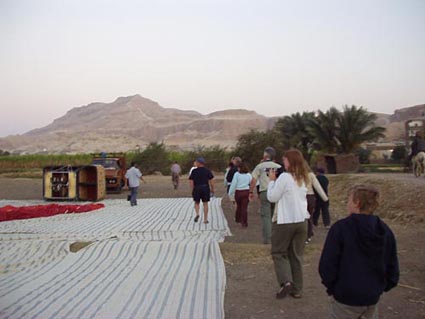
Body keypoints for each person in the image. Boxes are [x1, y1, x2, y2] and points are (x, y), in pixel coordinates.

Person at [319, 184, 399, 319]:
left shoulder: (340, 229)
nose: (347, 204)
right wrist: (380, 287)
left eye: (349, 200)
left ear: (357, 203)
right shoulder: (385, 230)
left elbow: (327, 265)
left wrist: (333, 288)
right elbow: (392, 266)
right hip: (371, 296)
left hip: (345, 298)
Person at [267, 149, 310, 299]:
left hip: (285, 220)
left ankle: (286, 281)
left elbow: (272, 197)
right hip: (302, 220)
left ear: (289, 162)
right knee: (296, 255)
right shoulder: (303, 177)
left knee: (278, 252)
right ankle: (297, 289)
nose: (283, 163)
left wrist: (272, 181)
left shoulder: (284, 177)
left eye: (284, 160)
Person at [250, 147, 282, 244]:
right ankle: (276, 237)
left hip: (265, 192)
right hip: (276, 192)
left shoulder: (259, 166)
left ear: (265, 156)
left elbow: (254, 180)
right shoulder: (279, 166)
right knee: (275, 215)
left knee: (266, 216)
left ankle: (267, 239)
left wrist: (251, 191)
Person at [306, 166, 328, 243]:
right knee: (309, 216)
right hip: (310, 196)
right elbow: (317, 187)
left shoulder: (297, 174)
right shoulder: (311, 175)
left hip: (302, 196)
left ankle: (306, 233)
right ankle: (309, 233)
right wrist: (325, 198)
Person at [189, 157, 215, 224]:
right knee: (205, 203)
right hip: (205, 187)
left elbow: (191, 181)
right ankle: (205, 219)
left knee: (197, 202)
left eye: (196, 162)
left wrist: (193, 189)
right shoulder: (207, 171)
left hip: (197, 188)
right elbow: (211, 180)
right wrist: (212, 189)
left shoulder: (194, 171)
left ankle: (197, 213)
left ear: (199, 163)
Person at [228, 162, 252, 228]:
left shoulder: (237, 174)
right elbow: (251, 183)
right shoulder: (249, 175)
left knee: (239, 206)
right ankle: (244, 222)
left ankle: (238, 218)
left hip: (238, 192)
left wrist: (230, 193)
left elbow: (233, 184)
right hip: (246, 191)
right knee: (244, 208)